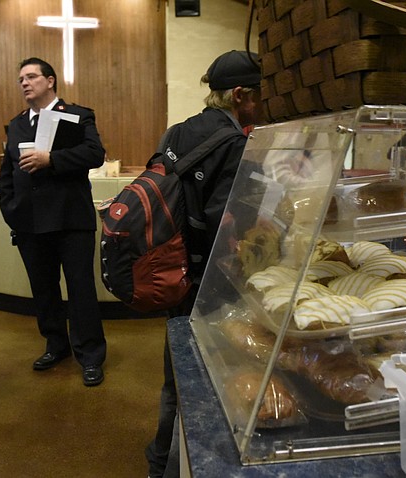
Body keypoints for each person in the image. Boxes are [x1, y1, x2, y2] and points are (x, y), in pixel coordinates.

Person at [145, 50, 264, 478]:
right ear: (238, 95)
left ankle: (160, 459)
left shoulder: (177, 131)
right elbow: (227, 218)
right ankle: (189, 463)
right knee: (212, 375)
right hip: (207, 280)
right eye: (256, 97)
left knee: (176, 373)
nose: (259, 105)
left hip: (171, 269)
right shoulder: (234, 143)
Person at [0, 57, 107, 387]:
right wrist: (11, 209)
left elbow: (95, 154)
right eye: (21, 79)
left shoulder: (77, 114)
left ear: (50, 81)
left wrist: (52, 159)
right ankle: (55, 345)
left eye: (31, 77)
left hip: (71, 220)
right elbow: (8, 171)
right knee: (43, 291)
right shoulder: (17, 124)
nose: (24, 83)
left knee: (80, 291)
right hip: (30, 223)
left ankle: (90, 356)